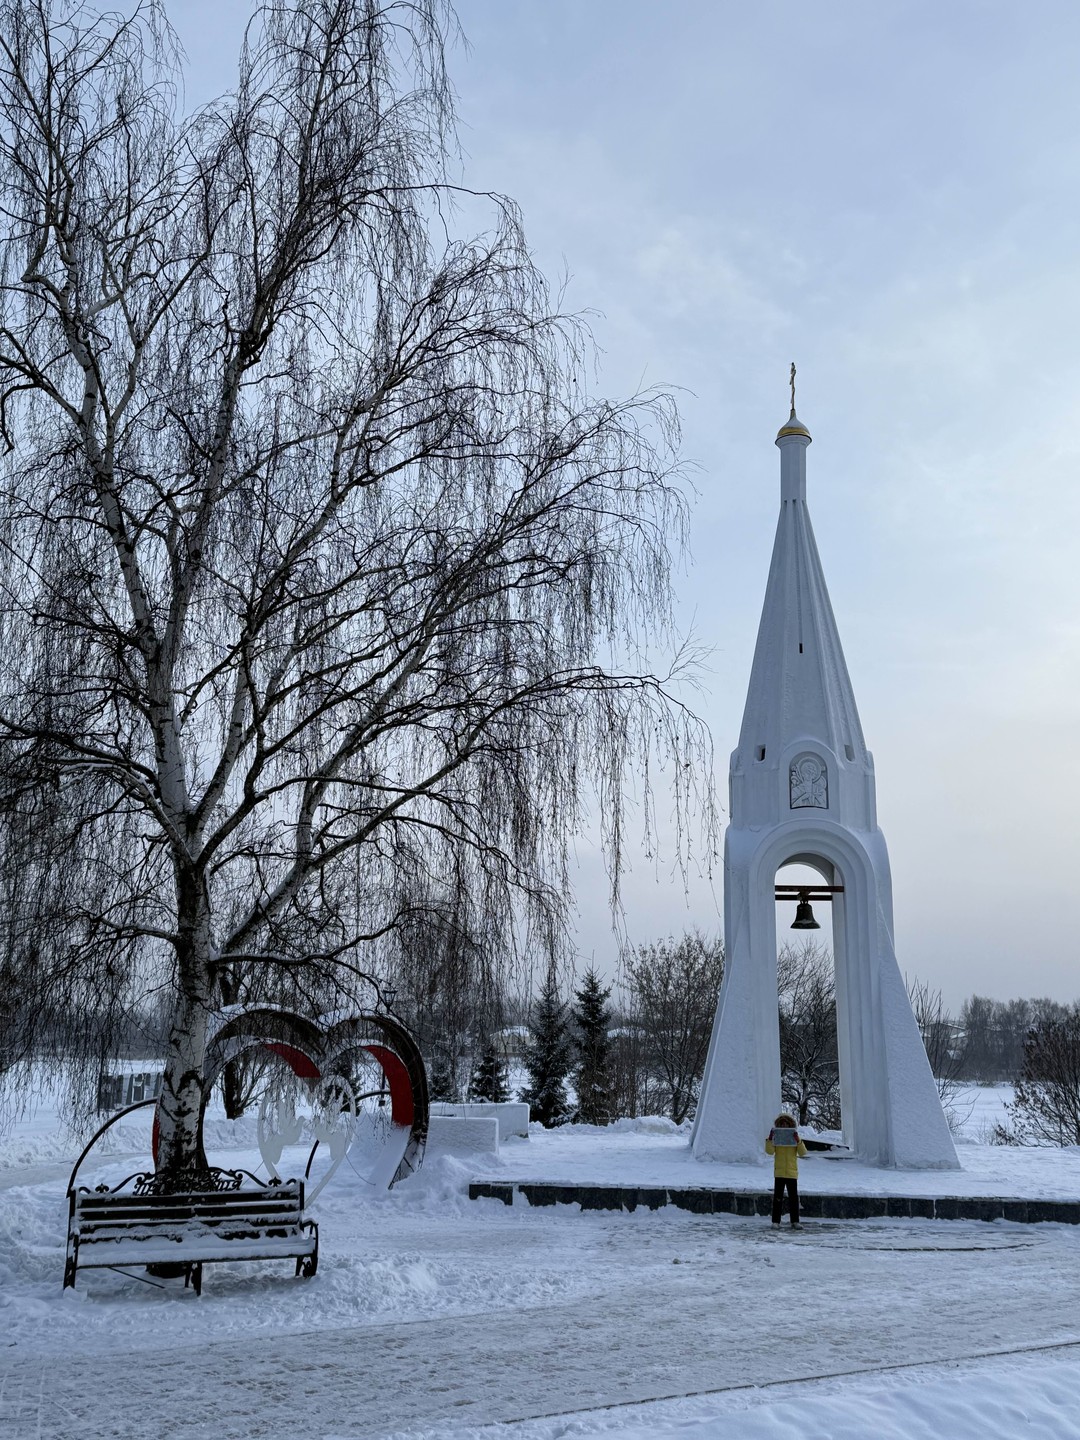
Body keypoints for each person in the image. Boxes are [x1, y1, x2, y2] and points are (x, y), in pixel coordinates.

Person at [766, 1112, 808, 1227]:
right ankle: (776, 1222)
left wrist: (798, 1140)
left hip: (791, 1172)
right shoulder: (777, 1137)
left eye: (786, 1124)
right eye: (782, 1124)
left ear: (790, 1125)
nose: (784, 1127)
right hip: (779, 1171)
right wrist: (770, 1139)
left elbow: (803, 1152)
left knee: (793, 1199)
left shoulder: (794, 1137)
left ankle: (795, 1221)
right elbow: (769, 1151)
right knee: (777, 1198)